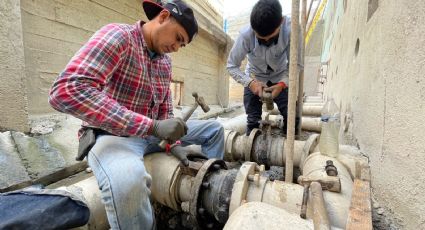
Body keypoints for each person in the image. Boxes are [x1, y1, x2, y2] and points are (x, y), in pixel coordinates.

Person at [48, 0, 224, 229]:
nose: (177, 47)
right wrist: (151, 126)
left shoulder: (165, 63)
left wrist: (174, 142)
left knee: (215, 130)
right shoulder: (119, 37)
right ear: (162, 16)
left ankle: (209, 191)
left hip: (150, 135)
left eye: (183, 45)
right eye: (178, 38)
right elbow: (66, 90)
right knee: (128, 183)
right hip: (112, 136)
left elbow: (164, 112)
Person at [227, 0, 301, 136]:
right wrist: (250, 83)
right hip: (254, 77)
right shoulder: (245, 35)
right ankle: (252, 150)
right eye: (260, 40)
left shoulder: (293, 30)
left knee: (293, 119)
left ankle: (288, 147)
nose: (266, 43)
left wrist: (283, 84)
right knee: (252, 122)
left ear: (281, 22)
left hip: (280, 76)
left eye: (271, 39)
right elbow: (231, 66)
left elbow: (296, 64)